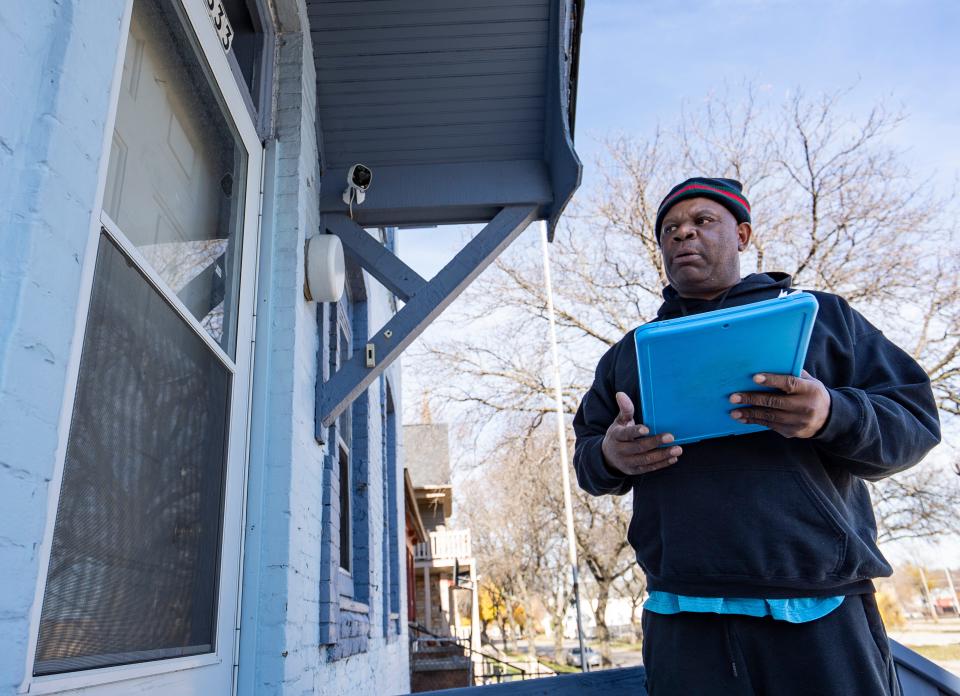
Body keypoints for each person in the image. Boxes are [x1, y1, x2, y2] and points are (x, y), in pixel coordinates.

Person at [572, 177, 942, 695]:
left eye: (703, 221)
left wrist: (832, 414)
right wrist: (611, 456)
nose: (683, 235)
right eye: (671, 230)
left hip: (820, 607)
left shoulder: (823, 320)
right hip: (682, 614)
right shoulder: (628, 355)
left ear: (742, 235)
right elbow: (587, 459)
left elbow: (916, 422)